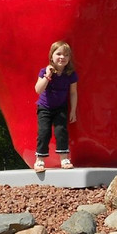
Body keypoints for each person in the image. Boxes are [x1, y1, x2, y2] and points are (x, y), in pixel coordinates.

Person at [33, 40, 78, 172]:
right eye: (58, 54)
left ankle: (64, 159)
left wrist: (73, 110)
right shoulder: (44, 71)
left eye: (66, 55)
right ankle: (40, 160)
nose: (62, 57)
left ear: (69, 58)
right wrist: (48, 76)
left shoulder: (70, 74)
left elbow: (73, 93)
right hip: (44, 108)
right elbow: (38, 90)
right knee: (44, 132)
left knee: (61, 131)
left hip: (60, 108)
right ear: (51, 56)